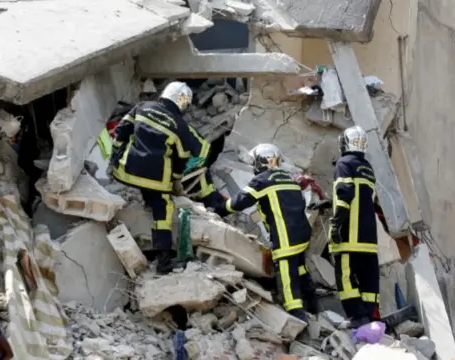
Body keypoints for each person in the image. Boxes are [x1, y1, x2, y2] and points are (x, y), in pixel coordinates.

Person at [111, 81, 214, 273]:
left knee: (151, 193)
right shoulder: (179, 125)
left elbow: (121, 130)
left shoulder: (142, 107)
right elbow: (182, 158)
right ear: (183, 101)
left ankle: (147, 200)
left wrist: (115, 157)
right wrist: (175, 180)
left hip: (125, 171)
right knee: (164, 208)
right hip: (155, 179)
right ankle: (164, 260)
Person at [217, 143, 318, 321]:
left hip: (285, 235)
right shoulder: (289, 178)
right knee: (300, 268)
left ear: (259, 162)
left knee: (287, 273)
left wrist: (218, 209)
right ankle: (313, 305)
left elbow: (240, 202)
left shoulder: (263, 180)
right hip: (301, 233)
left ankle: (296, 312)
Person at [329, 125, 382, 328]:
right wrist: (328, 203)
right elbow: (364, 198)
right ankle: (369, 319)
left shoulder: (344, 163)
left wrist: (336, 224)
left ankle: (356, 318)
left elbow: (345, 193)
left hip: (349, 236)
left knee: (346, 278)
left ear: (344, 142)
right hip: (368, 238)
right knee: (368, 281)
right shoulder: (367, 168)